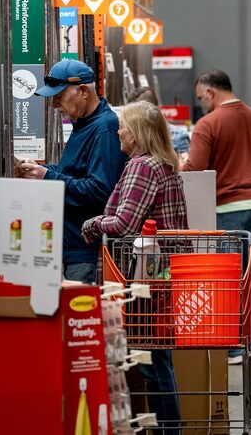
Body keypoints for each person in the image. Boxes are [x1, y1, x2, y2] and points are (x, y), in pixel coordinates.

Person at [82, 101, 187, 435]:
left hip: (140, 277)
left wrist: (93, 223)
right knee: (159, 358)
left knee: (152, 361)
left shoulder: (142, 167)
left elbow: (125, 224)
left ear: (138, 133)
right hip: (159, 274)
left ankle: (170, 430)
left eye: (123, 125)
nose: (118, 132)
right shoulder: (166, 164)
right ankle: (171, 428)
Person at [181, 69, 251, 365]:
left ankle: (235, 348)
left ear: (210, 92)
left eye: (201, 98)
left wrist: (176, 167)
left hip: (226, 211)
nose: (201, 104)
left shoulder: (207, 124)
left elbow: (195, 168)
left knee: (228, 281)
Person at [17, 59, 127, 284]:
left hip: (82, 250)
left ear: (84, 91)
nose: (54, 104)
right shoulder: (84, 125)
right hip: (69, 245)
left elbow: (100, 189)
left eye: (60, 97)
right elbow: (74, 173)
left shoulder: (104, 128)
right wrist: (40, 170)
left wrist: (47, 176)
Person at [130, 86, 191, 156]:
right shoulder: (133, 138)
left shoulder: (179, 136)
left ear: (155, 107)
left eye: (142, 108)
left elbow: (186, 165)